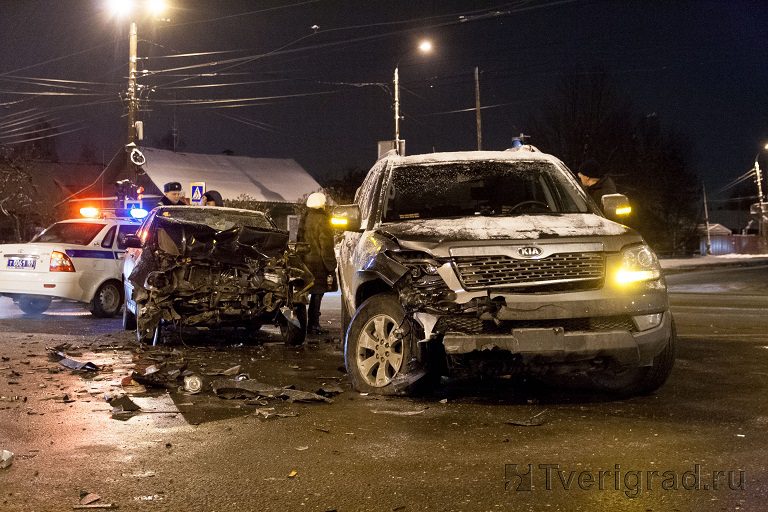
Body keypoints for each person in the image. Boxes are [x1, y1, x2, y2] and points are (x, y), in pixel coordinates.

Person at [298, 192, 337, 335]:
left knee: (305, 293)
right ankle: (313, 324)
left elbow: (299, 241)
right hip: (319, 264)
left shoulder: (305, 217)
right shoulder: (323, 220)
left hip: (306, 262)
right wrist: (331, 265)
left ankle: (303, 324)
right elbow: (326, 245)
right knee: (317, 294)